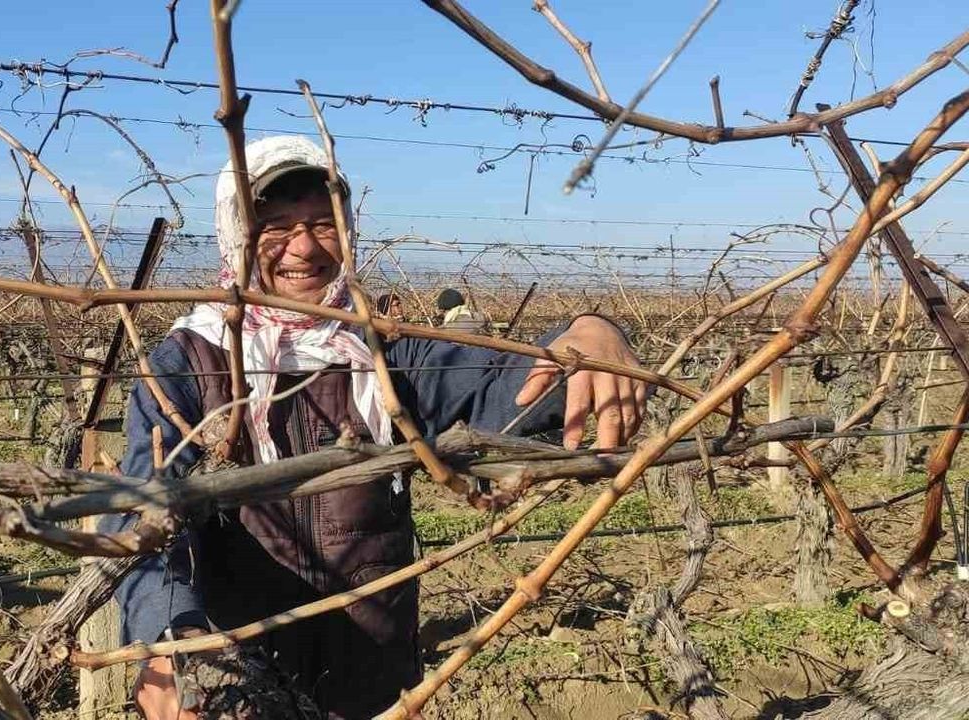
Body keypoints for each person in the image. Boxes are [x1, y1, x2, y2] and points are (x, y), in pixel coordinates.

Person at [104, 136, 646, 719]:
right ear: (233, 233)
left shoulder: (385, 355)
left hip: (372, 678)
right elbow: (146, 516)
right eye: (275, 226)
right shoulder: (191, 361)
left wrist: (588, 334)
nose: (305, 248)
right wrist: (172, 642)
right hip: (236, 685)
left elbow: (506, 393)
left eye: (323, 223)